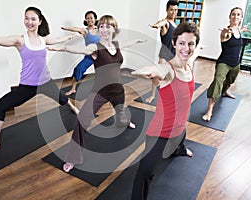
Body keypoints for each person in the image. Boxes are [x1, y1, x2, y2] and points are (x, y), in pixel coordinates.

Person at [0, 6, 79, 158]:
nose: (29, 22)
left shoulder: (43, 39)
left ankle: (73, 108)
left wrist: (71, 37)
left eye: (33, 19)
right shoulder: (20, 40)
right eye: (26, 18)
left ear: (39, 21)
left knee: (62, 98)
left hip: (45, 81)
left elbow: (58, 39)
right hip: (27, 86)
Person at [48, 15, 146, 172]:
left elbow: (127, 43)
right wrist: (64, 48)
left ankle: (125, 122)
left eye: (108, 26)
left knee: (121, 113)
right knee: (82, 121)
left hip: (118, 90)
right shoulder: (95, 48)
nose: (104, 29)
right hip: (100, 92)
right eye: (102, 26)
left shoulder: (117, 44)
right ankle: (73, 158)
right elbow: (82, 50)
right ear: (99, 29)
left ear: (114, 29)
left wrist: (138, 40)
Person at [130, 21, 200, 200]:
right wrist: (148, 71)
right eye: (182, 43)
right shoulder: (168, 69)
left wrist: (198, 50)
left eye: (191, 43)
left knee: (181, 136)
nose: (186, 48)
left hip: (180, 127)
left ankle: (180, 149)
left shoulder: (189, 65)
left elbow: (193, 55)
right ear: (174, 44)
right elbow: (159, 69)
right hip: (160, 132)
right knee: (145, 172)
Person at [202, 7, 250, 121]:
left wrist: (242, 29)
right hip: (224, 62)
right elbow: (224, 36)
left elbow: (238, 31)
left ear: (241, 18)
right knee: (218, 82)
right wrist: (224, 32)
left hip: (236, 63)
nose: (235, 16)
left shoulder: (238, 30)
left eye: (238, 15)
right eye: (233, 14)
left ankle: (225, 91)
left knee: (230, 80)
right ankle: (209, 111)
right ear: (230, 16)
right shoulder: (226, 32)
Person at [146, 0, 178, 103]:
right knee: (156, 74)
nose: (173, 12)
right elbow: (162, 23)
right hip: (164, 54)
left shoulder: (176, 25)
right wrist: (156, 25)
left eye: (176, 10)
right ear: (167, 10)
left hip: (174, 55)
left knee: (172, 77)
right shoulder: (166, 23)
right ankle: (152, 95)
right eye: (171, 10)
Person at [61, 10, 100, 96]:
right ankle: (73, 89)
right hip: (89, 56)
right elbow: (76, 28)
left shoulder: (100, 29)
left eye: (91, 18)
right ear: (85, 20)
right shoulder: (85, 31)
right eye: (87, 18)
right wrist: (67, 28)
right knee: (78, 69)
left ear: (95, 19)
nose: (89, 20)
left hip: (100, 55)